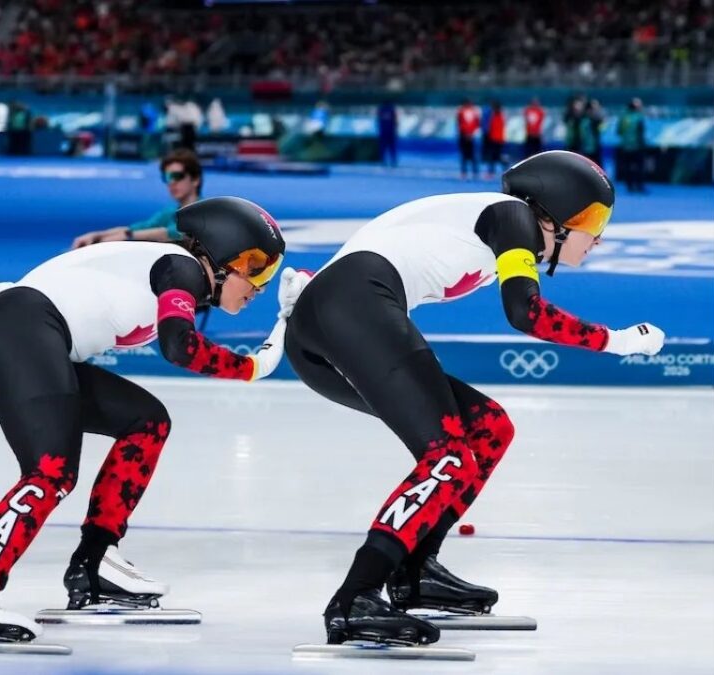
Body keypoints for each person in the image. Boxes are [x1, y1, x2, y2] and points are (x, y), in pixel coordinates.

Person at [278, 151, 665, 647]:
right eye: (592, 219)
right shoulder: (514, 217)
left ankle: (413, 570)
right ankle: (355, 596)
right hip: (344, 311)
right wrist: (619, 341)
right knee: (449, 456)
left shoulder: (501, 220)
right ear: (553, 211)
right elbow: (525, 313)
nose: (599, 237)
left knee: (488, 428)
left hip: (336, 317)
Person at [0, 196, 290, 643]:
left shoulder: (170, 269)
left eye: (268, 272)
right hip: (19, 331)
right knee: (51, 472)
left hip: (20, 335)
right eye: (254, 267)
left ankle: (94, 563)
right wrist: (252, 367)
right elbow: (179, 346)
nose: (258, 284)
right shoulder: (182, 268)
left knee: (147, 422)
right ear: (219, 257)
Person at [71, 149, 202, 249]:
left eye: (177, 176)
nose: (171, 182)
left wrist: (127, 236)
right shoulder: (170, 212)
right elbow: (137, 228)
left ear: (195, 180)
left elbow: (174, 233)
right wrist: (97, 235)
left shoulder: (206, 211)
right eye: (167, 177)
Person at [616, 98, 648, 194]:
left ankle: (629, 186)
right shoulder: (639, 117)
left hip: (625, 146)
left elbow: (619, 131)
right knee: (639, 167)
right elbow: (641, 133)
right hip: (637, 146)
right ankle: (639, 186)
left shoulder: (623, 117)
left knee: (627, 166)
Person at [456, 98, 479, 179]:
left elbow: (476, 123)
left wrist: (471, 133)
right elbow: (460, 123)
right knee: (464, 155)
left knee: (472, 155)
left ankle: (475, 172)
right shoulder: (461, 112)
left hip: (471, 136)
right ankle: (464, 172)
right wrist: (465, 133)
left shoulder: (474, 112)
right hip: (463, 135)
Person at [483, 100, 505, 178]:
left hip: (497, 139)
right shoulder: (496, 116)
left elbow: (495, 128)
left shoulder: (497, 116)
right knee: (494, 156)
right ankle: (492, 171)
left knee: (495, 156)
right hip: (496, 139)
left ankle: (492, 172)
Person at [377, 99, 398, 167]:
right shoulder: (391, 110)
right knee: (391, 148)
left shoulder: (381, 110)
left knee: (384, 148)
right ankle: (392, 162)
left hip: (384, 132)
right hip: (390, 132)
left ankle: (384, 161)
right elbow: (395, 121)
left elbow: (379, 121)